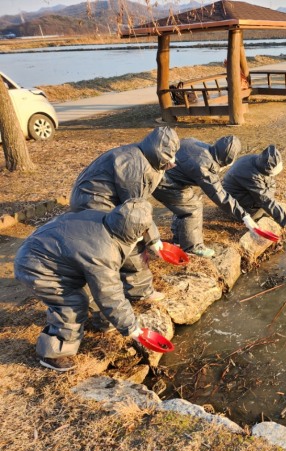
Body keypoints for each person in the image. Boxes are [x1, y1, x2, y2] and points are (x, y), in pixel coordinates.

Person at [14, 199, 156, 372]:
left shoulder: (105, 218)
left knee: (92, 289)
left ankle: (104, 322)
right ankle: (54, 352)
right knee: (72, 304)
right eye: (141, 231)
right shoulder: (103, 252)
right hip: (36, 266)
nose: (143, 235)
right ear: (131, 231)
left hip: (49, 252)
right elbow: (109, 294)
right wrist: (132, 329)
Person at [69, 126, 180, 302]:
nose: (173, 160)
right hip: (94, 202)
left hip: (95, 197)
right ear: (158, 151)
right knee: (129, 238)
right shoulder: (135, 167)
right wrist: (154, 241)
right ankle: (140, 291)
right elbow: (136, 210)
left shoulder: (144, 156)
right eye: (168, 155)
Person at [152, 135, 258, 258]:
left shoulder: (197, 144)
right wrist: (245, 216)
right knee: (193, 208)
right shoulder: (205, 167)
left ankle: (179, 239)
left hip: (163, 174)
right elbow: (220, 195)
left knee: (184, 204)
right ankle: (192, 247)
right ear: (228, 160)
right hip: (164, 182)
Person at [222, 144, 286, 231]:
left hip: (243, 188)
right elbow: (264, 198)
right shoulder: (251, 175)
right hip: (234, 197)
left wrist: (269, 198)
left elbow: (271, 184)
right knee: (262, 204)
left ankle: (266, 209)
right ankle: (242, 214)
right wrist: (285, 222)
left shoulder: (260, 161)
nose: (272, 176)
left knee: (267, 199)